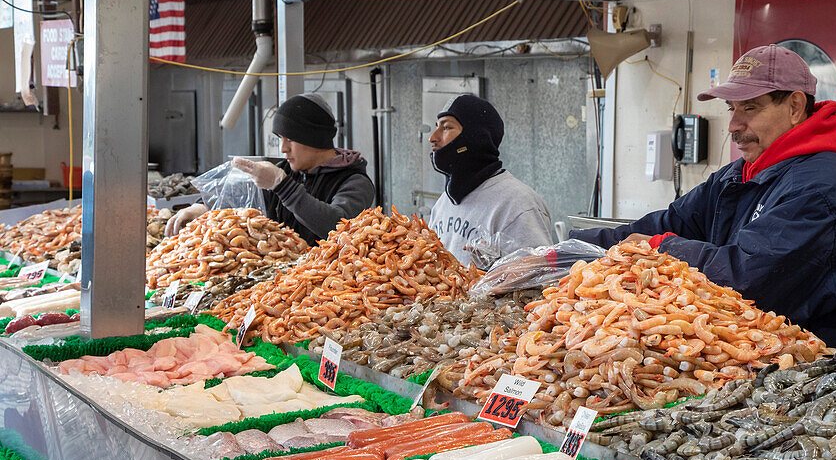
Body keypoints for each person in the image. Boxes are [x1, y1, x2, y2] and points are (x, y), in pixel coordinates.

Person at [571, 44, 836, 352]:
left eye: (750, 108)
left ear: (795, 106)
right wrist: (568, 250)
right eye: (732, 108)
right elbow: (670, 223)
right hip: (773, 359)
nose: (733, 124)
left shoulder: (822, 183)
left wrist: (662, 247)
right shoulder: (741, 173)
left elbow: (748, 277)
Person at [166, 94, 376, 246]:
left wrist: (283, 186)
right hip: (282, 283)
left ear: (314, 139)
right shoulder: (286, 170)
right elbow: (237, 199)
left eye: (290, 140)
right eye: (281, 140)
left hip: (332, 287)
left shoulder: (354, 181)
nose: (283, 149)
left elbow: (337, 226)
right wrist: (200, 208)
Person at [428, 94, 554, 267]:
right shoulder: (443, 204)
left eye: (447, 127)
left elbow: (541, 277)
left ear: (474, 137)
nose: (433, 137)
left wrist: (497, 269)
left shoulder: (518, 203)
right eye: (436, 126)